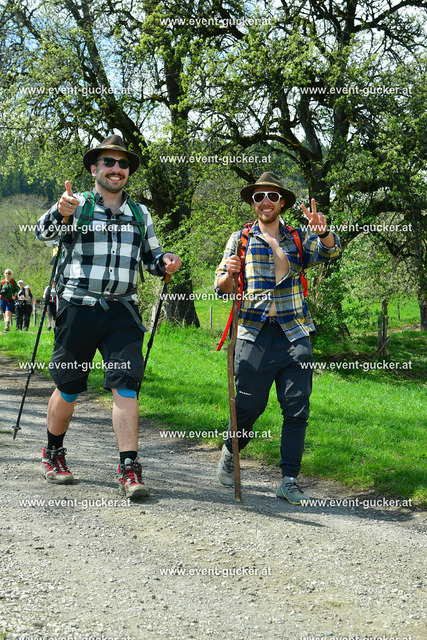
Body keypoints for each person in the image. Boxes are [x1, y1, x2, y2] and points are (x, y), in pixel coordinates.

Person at [35, 134, 181, 499]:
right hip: (77, 307)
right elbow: (43, 232)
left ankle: (129, 468)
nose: (117, 169)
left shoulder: (140, 213)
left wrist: (166, 261)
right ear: (94, 169)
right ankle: (53, 453)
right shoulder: (77, 204)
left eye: (123, 164)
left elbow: (151, 258)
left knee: (126, 383)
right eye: (109, 162)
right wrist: (61, 211)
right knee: (69, 386)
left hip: (122, 311)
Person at [215, 172, 342, 504]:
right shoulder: (240, 239)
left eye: (272, 196)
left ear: (282, 202)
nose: (266, 202)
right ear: (253, 204)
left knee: (297, 408)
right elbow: (221, 288)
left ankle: (289, 480)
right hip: (253, 334)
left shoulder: (298, 237)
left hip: (294, 334)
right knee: (248, 406)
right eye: (259, 197)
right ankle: (230, 450)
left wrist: (323, 232)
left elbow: (331, 253)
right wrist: (229, 274)